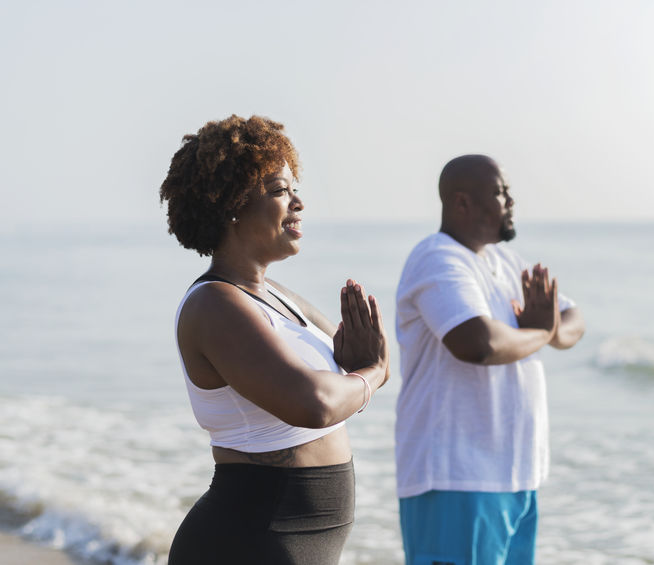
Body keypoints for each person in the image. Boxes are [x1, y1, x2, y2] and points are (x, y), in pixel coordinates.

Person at [159, 115, 389, 565]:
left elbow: (352, 367)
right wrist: (373, 375)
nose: (298, 203)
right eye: (280, 190)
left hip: (294, 540)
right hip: (248, 541)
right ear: (234, 204)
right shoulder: (215, 305)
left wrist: (364, 368)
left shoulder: (274, 295)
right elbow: (316, 403)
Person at [394, 154, 585, 565]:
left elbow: (574, 319)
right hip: (455, 479)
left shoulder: (503, 262)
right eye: (500, 192)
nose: (510, 201)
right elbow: (477, 343)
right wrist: (540, 331)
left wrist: (545, 328)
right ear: (461, 203)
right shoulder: (437, 257)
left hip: (517, 479)